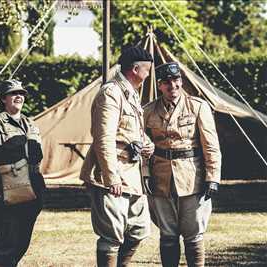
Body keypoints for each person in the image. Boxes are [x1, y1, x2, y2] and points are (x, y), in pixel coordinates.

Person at [80, 46, 155, 267]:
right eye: (147, 69)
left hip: (132, 175)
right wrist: (111, 177)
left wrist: (146, 144)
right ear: (135, 68)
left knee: (140, 230)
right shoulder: (111, 92)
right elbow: (103, 138)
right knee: (111, 236)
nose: (149, 74)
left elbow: (129, 131)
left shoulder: (130, 93)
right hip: (113, 175)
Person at [143, 62, 222, 267]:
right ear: (159, 85)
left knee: (193, 233)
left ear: (181, 81)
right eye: (167, 82)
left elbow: (211, 145)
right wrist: (145, 174)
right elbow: (143, 147)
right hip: (160, 178)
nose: (173, 86)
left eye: (176, 80)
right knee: (167, 234)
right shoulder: (149, 111)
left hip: (191, 177)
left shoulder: (198, 107)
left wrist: (212, 178)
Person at [0, 79, 45, 267]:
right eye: (14, 93)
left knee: (22, 243)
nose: (19, 97)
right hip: (6, 189)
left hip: (32, 189)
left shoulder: (31, 124)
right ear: (3, 99)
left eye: (21, 94)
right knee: (5, 244)